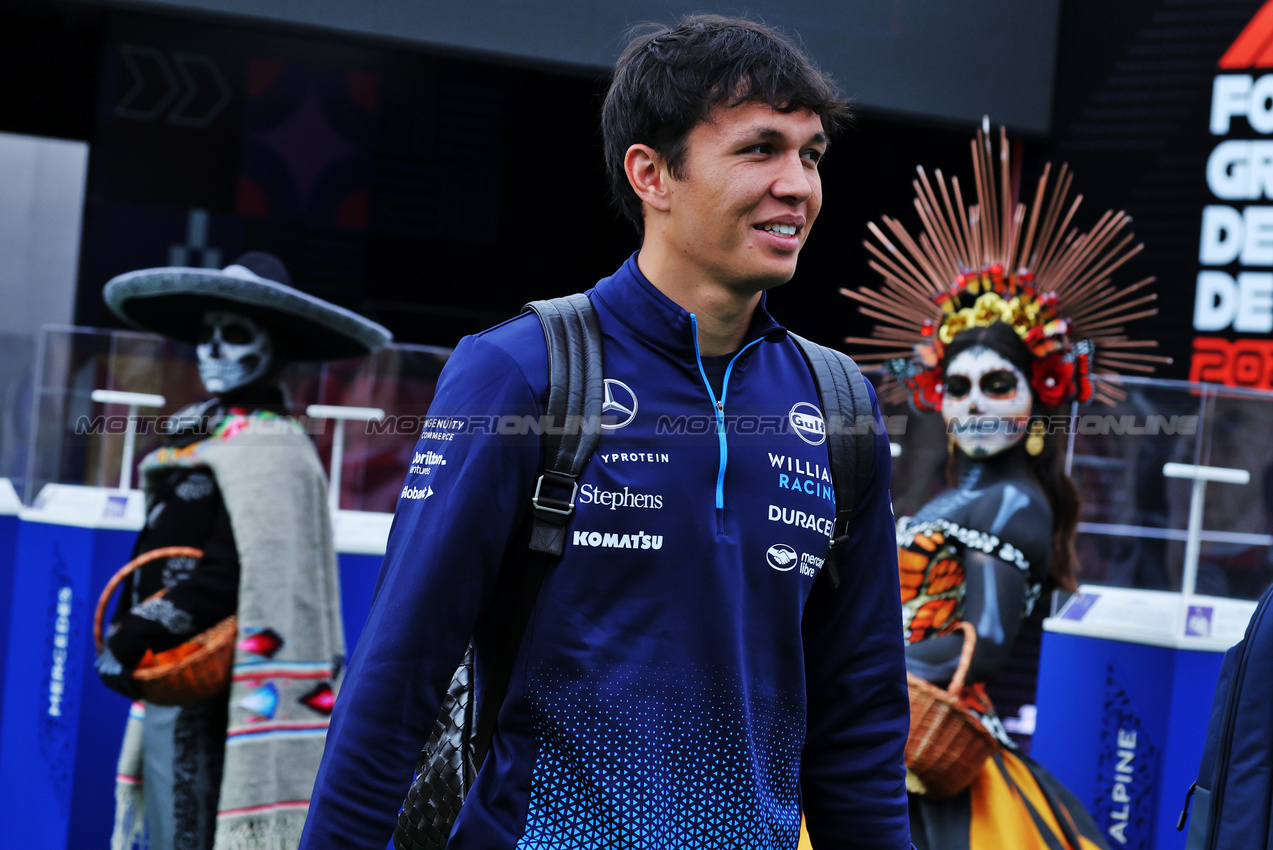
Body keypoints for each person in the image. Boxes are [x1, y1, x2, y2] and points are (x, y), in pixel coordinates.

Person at [301, 14, 913, 850]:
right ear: (651, 174)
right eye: (759, 149)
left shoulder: (840, 406)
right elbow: (395, 677)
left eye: (809, 155)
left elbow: (861, 721)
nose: (798, 186)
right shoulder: (521, 371)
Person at [845, 123, 1164, 849]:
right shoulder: (960, 495)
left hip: (928, 751)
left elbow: (979, 649)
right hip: (888, 730)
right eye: (956, 388)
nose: (974, 405)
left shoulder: (1014, 501)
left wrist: (854, 662)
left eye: (996, 384)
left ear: (1034, 399)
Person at [95, 251, 391, 850]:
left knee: (195, 832)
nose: (214, 351)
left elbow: (227, 575)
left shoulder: (273, 450)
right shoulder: (200, 434)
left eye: (235, 336)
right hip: (170, 670)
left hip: (221, 682)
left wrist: (132, 635)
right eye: (206, 336)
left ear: (273, 349)